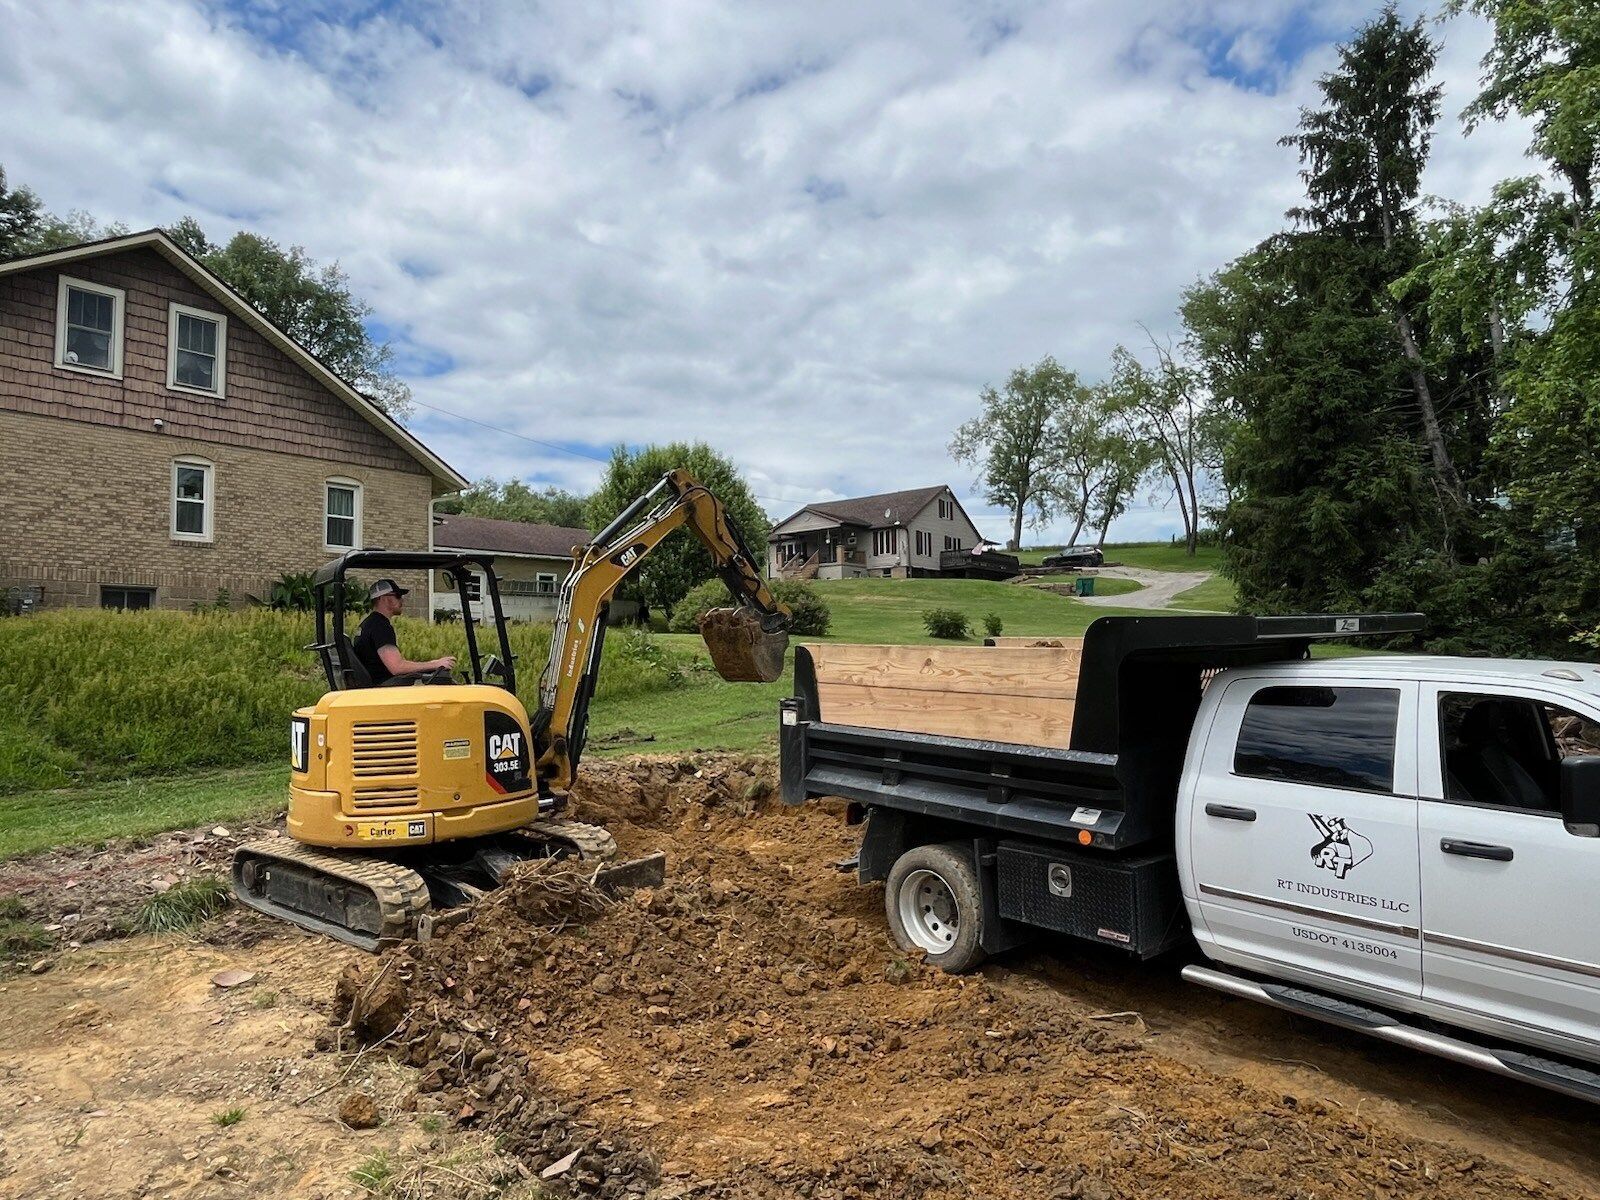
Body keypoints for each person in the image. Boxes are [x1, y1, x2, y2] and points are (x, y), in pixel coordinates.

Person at [352, 578, 456, 686]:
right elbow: (396, 667)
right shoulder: (380, 626)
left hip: (379, 686)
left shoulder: (368, 624)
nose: (402, 601)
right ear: (384, 599)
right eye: (398, 596)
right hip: (385, 688)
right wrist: (434, 664)